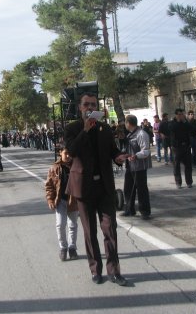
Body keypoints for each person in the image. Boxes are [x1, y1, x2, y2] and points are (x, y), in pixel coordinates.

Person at [64, 92, 128, 286]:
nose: (90, 108)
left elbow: (112, 150)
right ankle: (95, 270)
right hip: (83, 188)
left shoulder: (105, 128)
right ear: (80, 108)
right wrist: (84, 130)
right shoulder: (72, 128)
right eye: (86, 105)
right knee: (90, 232)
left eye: (93, 105)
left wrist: (118, 157)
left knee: (110, 229)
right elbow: (72, 151)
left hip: (105, 186)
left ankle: (114, 271)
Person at [44, 147, 78, 261]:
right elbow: (49, 186)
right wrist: (50, 200)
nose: (68, 156)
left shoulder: (76, 166)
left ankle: (72, 247)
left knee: (72, 225)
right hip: (61, 201)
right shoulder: (54, 168)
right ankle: (63, 248)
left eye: (70, 154)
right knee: (60, 224)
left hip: (73, 200)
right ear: (60, 153)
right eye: (66, 153)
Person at [122, 115, 152, 219]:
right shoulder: (131, 134)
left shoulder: (141, 134)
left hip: (140, 166)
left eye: (125, 123)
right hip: (130, 165)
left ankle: (145, 212)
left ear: (128, 123)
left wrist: (136, 156)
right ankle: (129, 209)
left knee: (141, 189)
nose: (125, 125)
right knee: (128, 188)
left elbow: (146, 150)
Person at [170, 108, 193, 189]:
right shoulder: (173, 123)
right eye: (179, 114)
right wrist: (179, 122)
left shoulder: (185, 123)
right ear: (176, 115)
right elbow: (172, 129)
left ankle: (189, 182)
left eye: (182, 114)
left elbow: (192, 129)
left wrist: (184, 121)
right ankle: (178, 182)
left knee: (188, 165)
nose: (181, 116)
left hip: (186, 146)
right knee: (176, 165)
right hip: (176, 147)